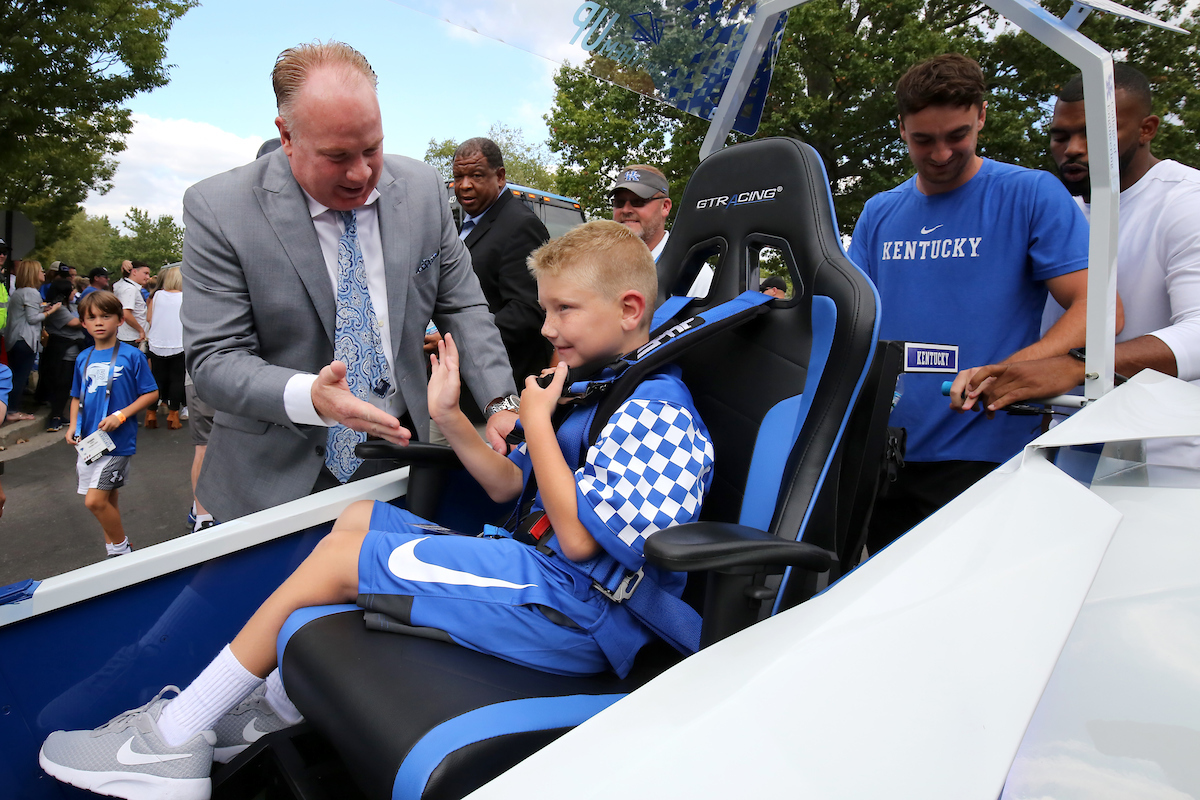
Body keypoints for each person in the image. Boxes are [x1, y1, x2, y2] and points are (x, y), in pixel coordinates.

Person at [40, 219, 715, 800]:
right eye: (546, 310)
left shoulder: (658, 411)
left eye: (563, 309)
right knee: (358, 520)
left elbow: (580, 543)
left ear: (630, 308)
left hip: (581, 614)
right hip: (549, 585)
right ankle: (269, 710)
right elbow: (512, 489)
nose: (547, 327)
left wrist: (536, 422)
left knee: (344, 558)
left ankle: (170, 741)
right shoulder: (602, 389)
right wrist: (449, 415)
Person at [180, 42, 515, 522]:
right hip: (270, 478)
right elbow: (215, 359)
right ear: (287, 136)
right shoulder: (219, 208)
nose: (361, 174)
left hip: (399, 459)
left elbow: (462, 307)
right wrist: (310, 396)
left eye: (372, 148)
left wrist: (502, 402)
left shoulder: (422, 190)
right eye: (336, 156)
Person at [848, 54, 1094, 553]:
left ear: (982, 116)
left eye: (957, 136)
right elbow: (852, 323)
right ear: (901, 129)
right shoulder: (879, 211)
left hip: (985, 453)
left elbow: (1098, 307)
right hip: (882, 454)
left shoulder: (1030, 193)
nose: (941, 154)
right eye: (923, 140)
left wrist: (1013, 368)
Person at [960, 65, 1200, 467]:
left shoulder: (1185, 201)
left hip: (1170, 462)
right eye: (1061, 136)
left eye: (1093, 134)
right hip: (1065, 455)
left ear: (1147, 129)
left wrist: (1078, 367)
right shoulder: (1060, 211)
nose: (1073, 148)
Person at [65, 291, 159, 558]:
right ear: (83, 323)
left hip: (117, 443)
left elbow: (151, 393)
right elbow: (77, 396)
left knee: (94, 501)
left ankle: (121, 549)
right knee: (108, 499)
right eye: (91, 317)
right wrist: (73, 426)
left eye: (106, 316)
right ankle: (113, 551)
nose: (99, 322)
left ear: (120, 320)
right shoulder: (83, 358)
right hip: (90, 441)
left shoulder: (132, 356)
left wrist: (121, 415)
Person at [452, 137, 552, 387]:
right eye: (458, 177)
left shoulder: (521, 225)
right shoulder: (466, 224)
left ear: (500, 177)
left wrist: (456, 338)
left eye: (476, 176)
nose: (464, 185)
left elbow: (527, 312)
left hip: (503, 385)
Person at [4, 260, 61, 422]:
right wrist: (51, 311)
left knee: (14, 375)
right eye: (41, 270)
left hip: (14, 339)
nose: (44, 273)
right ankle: (12, 410)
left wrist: (42, 308)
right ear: (33, 273)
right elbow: (32, 319)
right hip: (25, 339)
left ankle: (8, 408)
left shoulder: (19, 292)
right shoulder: (32, 292)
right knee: (20, 377)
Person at [41, 277, 86, 433]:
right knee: (61, 384)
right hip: (62, 351)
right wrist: (91, 315)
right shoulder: (57, 309)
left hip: (74, 351)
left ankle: (61, 415)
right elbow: (75, 323)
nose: (74, 292)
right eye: (72, 289)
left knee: (69, 385)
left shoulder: (71, 306)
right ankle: (55, 417)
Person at [146, 265, 186, 429]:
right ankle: (173, 415)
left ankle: (150, 413)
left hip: (156, 343)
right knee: (177, 380)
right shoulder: (185, 297)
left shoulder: (157, 295)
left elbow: (149, 318)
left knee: (156, 379)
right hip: (178, 343)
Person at [114, 260, 150, 346]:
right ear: (134, 272)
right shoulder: (130, 289)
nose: (148, 277)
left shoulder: (124, 285)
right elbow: (126, 313)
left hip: (131, 336)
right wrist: (140, 330)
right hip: (132, 338)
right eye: (145, 273)